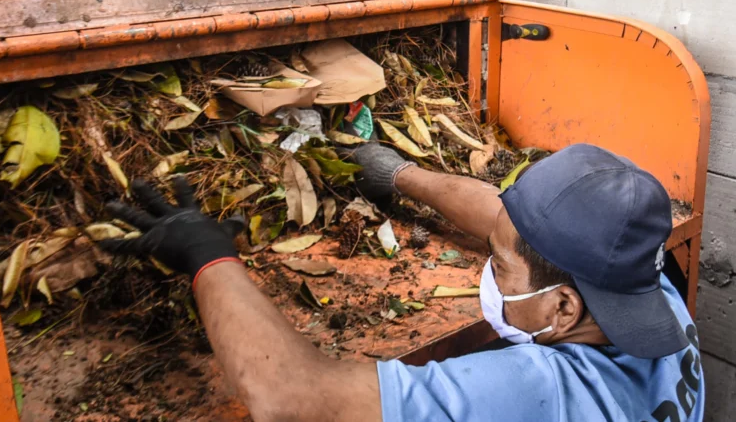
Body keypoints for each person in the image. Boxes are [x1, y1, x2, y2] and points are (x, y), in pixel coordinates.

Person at [101, 143, 704, 422]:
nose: (488, 274)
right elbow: (503, 214)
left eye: (498, 265)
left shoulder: (542, 393)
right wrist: (399, 175)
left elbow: (290, 397)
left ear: (563, 308)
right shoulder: (651, 294)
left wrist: (206, 253)